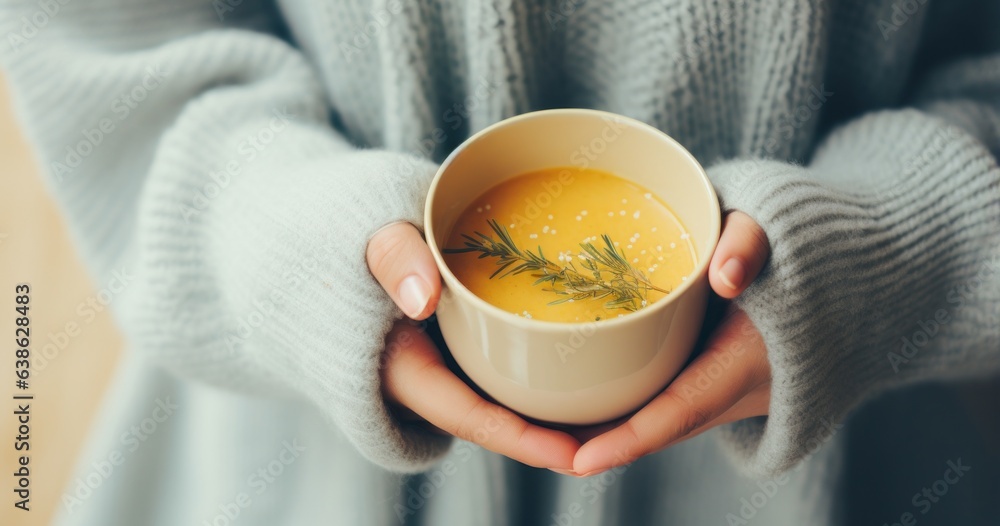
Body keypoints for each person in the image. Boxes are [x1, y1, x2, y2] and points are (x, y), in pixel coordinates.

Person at [2, 0, 998, 524]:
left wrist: (888, 250)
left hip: (845, 451)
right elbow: (110, 51)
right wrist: (286, 245)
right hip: (295, 448)